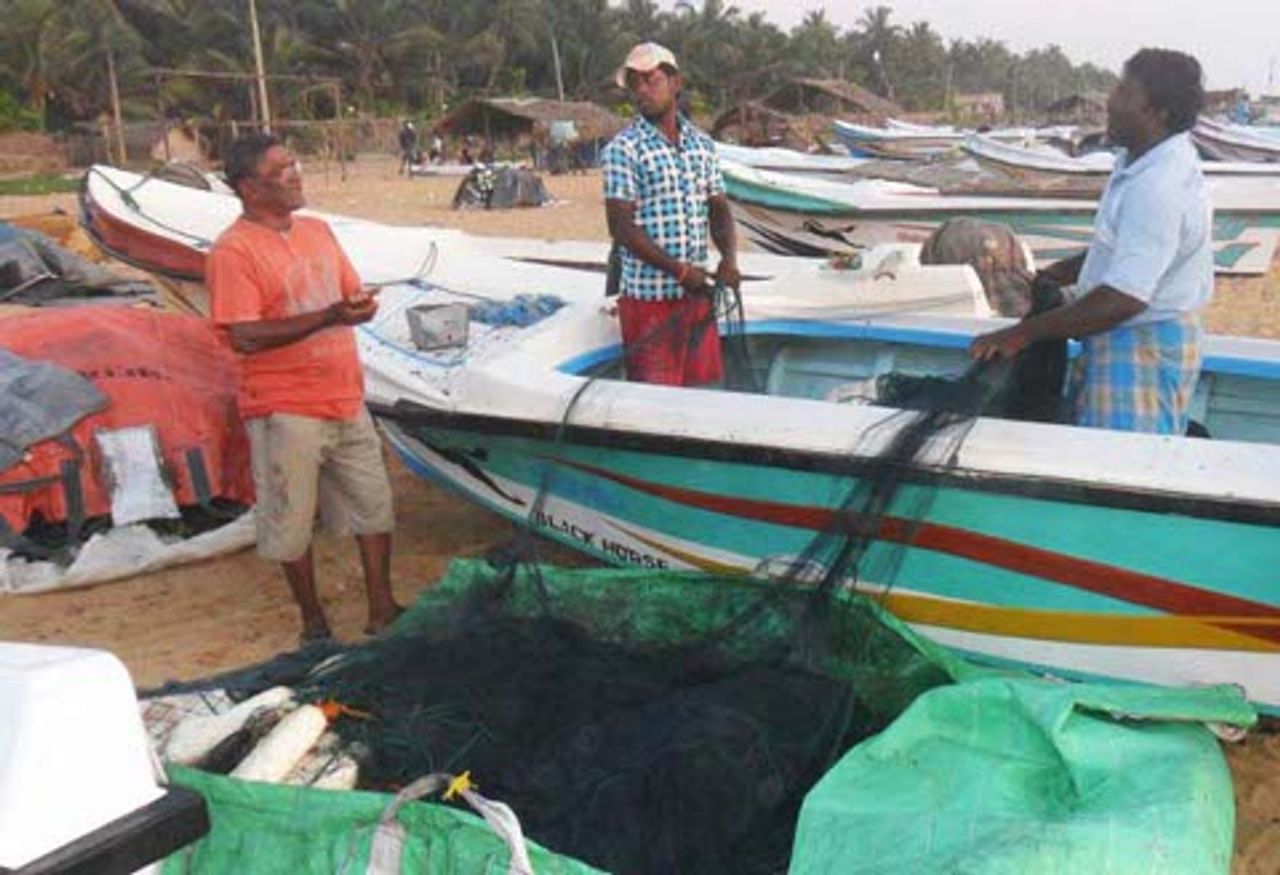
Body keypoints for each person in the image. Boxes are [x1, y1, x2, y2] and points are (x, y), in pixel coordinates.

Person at [206, 133, 402, 642]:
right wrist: (330, 316)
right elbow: (244, 335)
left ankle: (382, 607)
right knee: (289, 520)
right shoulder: (234, 250)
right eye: (283, 170)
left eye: (296, 165)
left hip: (345, 395)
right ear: (249, 188)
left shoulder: (318, 231)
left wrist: (359, 307)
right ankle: (313, 620)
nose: (297, 176)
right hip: (284, 407)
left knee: (374, 504)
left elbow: (348, 294)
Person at [971, 48, 1212, 435]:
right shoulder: (1137, 160)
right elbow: (1125, 250)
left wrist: (1020, 334)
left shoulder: (1158, 184)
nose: (1110, 103)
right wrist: (1060, 272)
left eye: (1124, 91)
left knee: (1122, 472)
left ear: (1159, 112)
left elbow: (1125, 297)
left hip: (1140, 346)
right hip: (1123, 337)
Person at [602, 42, 740, 386]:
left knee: (702, 391)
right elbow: (621, 227)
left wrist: (729, 259)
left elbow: (718, 207)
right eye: (635, 84)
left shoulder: (701, 145)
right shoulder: (623, 148)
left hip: (696, 298)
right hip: (650, 302)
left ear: (675, 82)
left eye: (651, 80)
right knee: (656, 403)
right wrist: (680, 272)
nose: (642, 91)